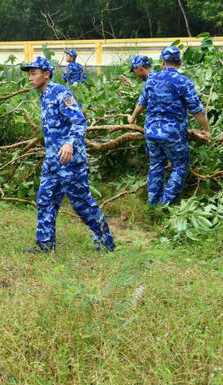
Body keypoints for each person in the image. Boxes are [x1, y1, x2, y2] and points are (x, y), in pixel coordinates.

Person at [21, 56, 115, 252]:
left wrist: (70, 144)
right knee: (45, 199)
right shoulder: (44, 95)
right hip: (53, 161)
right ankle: (45, 244)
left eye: (34, 73)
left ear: (46, 74)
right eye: (29, 74)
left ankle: (106, 243)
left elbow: (79, 121)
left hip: (70, 162)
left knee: (82, 203)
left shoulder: (60, 92)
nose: (30, 78)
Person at [128, 46, 211, 206]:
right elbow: (196, 110)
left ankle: (153, 203)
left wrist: (132, 118)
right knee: (180, 166)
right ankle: (164, 203)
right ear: (179, 62)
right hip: (172, 134)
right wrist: (206, 129)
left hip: (151, 132)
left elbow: (141, 103)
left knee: (156, 165)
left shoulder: (152, 79)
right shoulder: (183, 82)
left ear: (163, 61)